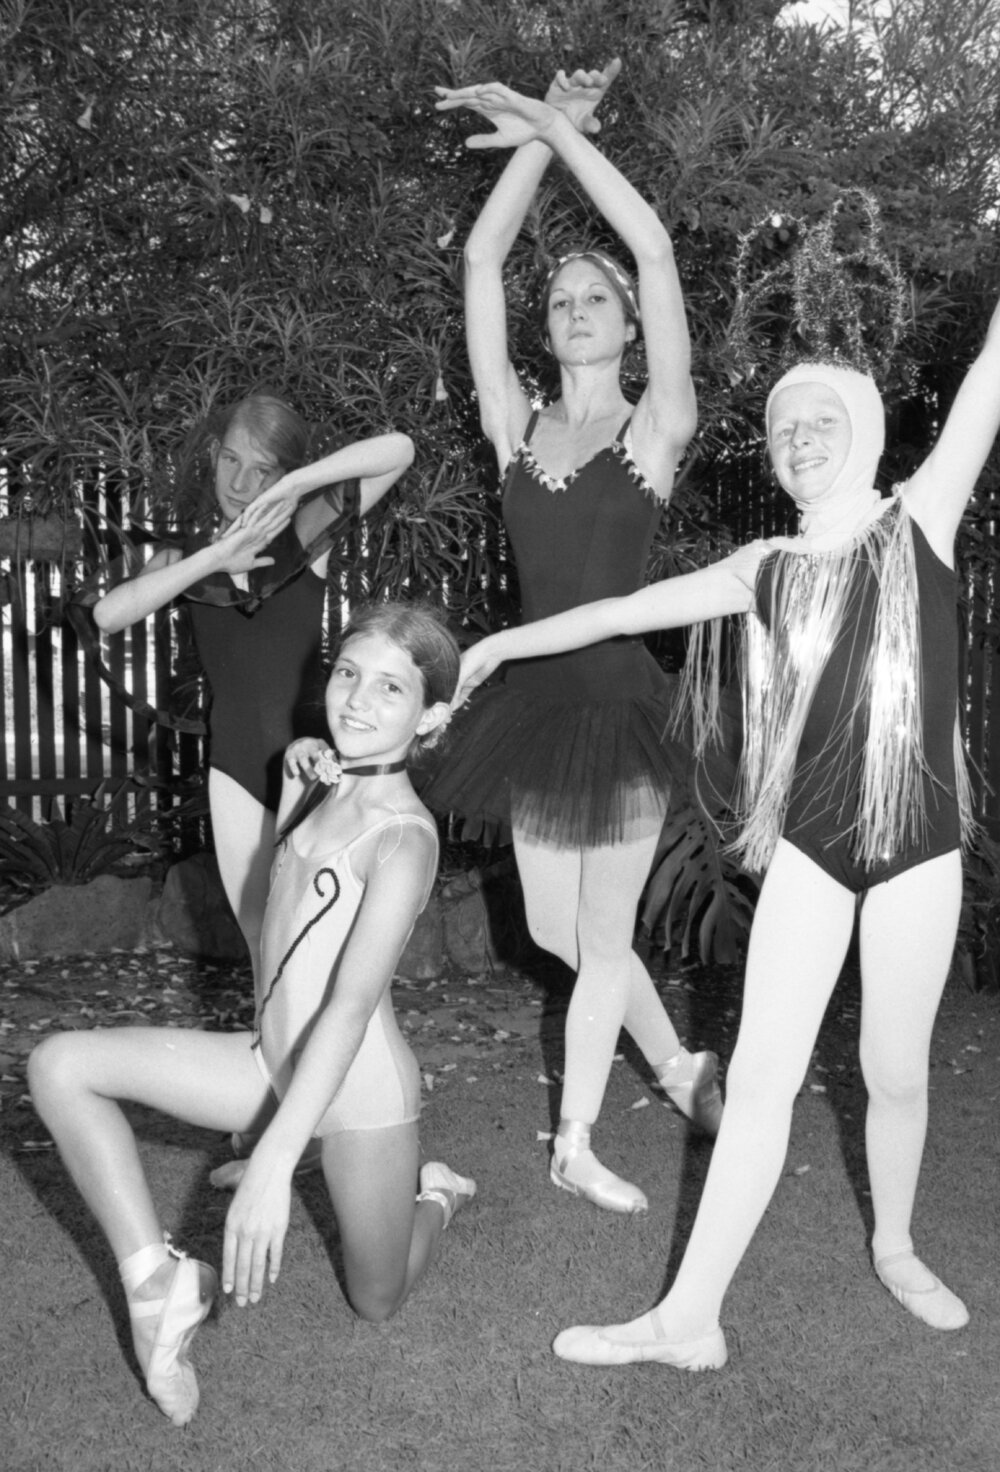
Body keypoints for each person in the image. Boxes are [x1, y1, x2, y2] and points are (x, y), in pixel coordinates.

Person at [456, 304, 1000, 1365]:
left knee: (893, 1070)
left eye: (820, 421)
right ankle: (688, 1317)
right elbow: (619, 611)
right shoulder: (764, 565)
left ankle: (894, 1243)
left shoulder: (922, 517)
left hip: (917, 849)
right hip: (810, 852)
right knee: (756, 1081)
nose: (799, 439)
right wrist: (501, 647)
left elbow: (990, 371)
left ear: (865, 431)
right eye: (783, 428)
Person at [28, 601, 476, 1426]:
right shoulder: (319, 780)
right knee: (59, 1065)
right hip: (268, 1065)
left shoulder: (403, 840)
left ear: (432, 716)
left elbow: (347, 1009)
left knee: (376, 1299)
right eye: (348, 674)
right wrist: (299, 776)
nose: (357, 699)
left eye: (391, 688)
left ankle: (437, 1194)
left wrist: (274, 1161)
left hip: (358, 1092)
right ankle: (155, 1286)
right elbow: (278, 917)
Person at [426, 67, 722, 1216]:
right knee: (560, 928)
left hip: (622, 712)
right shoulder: (513, 420)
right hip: (534, 715)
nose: (575, 306)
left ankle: (578, 1140)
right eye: (559, 298)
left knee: (600, 935)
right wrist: (546, 140)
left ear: (630, 323)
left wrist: (562, 127)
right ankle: (681, 1066)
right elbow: (478, 260)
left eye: (595, 296)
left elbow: (652, 246)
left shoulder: (657, 425)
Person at [93, 394, 414, 980]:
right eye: (231, 461)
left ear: (285, 475)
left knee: (324, 938)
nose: (241, 484)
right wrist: (218, 555)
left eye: (263, 469)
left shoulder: (305, 537)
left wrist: (295, 488)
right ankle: (273, 1041)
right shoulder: (185, 559)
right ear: (214, 456)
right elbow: (108, 615)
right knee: (261, 941)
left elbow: (399, 450)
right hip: (234, 771)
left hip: (313, 763)